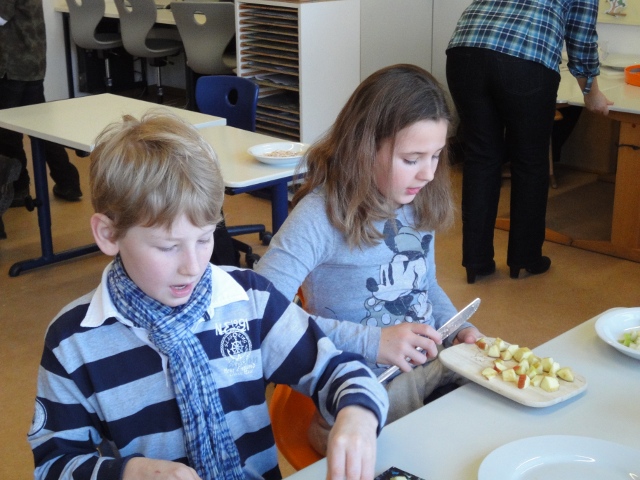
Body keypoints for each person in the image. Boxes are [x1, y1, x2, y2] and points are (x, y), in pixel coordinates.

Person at [27, 112, 388, 480]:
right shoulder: (72, 341)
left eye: (204, 238)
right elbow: (54, 465)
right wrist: (130, 472)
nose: (193, 265)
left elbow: (337, 369)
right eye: (168, 247)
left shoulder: (250, 300)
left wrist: (357, 413)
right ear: (108, 234)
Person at [255, 64, 483, 453]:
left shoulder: (416, 198)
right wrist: (373, 341)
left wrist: (457, 329)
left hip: (428, 366)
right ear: (364, 148)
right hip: (362, 390)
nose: (428, 174)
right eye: (412, 159)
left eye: (436, 156)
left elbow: (424, 286)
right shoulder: (320, 216)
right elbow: (259, 313)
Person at [445, 0, 612, 283]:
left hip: (466, 49)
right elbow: (581, 38)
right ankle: (525, 258)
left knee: (481, 157)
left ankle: (476, 262)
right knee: (530, 161)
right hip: (525, 59)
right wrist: (591, 93)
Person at [0, 0, 83, 206]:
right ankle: (67, 182)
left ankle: (18, 189)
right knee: (42, 128)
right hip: (32, 62)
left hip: (12, 66)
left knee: (8, 132)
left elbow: (1, 17)